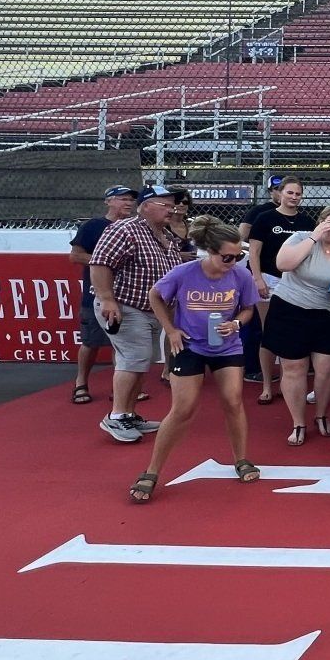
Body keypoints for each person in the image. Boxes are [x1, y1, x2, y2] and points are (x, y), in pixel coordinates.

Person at [130, 215, 260, 503]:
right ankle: (152, 470)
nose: (233, 262)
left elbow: (248, 309)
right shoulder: (184, 272)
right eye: (227, 257)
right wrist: (170, 329)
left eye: (238, 256)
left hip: (227, 346)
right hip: (190, 345)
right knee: (183, 409)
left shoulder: (240, 275)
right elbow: (155, 296)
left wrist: (236, 324)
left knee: (233, 400)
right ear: (210, 252)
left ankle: (241, 459)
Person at [90, 185, 191, 442]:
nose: (172, 209)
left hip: (149, 309)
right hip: (125, 305)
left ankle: (128, 414)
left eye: (173, 204)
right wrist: (106, 299)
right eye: (164, 204)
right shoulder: (125, 230)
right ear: (145, 206)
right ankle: (117, 416)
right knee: (134, 358)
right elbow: (100, 263)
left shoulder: (166, 236)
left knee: (140, 360)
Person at [263, 205, 330, 445]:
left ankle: (321, 415)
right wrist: (314, 236)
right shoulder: (300, 238)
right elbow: (283, 264)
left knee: (327, 371)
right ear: (321, 222)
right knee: (294, 369)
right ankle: (298, 422)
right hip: (291, 309)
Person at [245, 178, 314, 401]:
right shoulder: (265, 218)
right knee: (268, 333)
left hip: (295, 283)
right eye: (290, 192)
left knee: (291, 334)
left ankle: (287, 382)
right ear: (280, 193)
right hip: (268, 279)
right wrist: (257, 280)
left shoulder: (307, 221)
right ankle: (267, 385)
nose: (294, 197)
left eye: (298, 193)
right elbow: (254, 253)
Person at [68, 184, 136, 405]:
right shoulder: (94, 226)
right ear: (108, 201)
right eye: (122, 198)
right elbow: (75, 256)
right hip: (95, 294)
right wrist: (105, 263)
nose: (128, 203)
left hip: (127, 295)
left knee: (123, 344)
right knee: (91, 342)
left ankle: (120, 391)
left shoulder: (136, 228)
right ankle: (81, 383)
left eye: (130, 200)